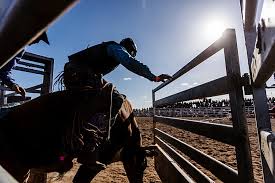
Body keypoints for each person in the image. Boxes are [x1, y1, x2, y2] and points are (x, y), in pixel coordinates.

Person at [0, 32, 50, 97]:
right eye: (38, 37)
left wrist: (12, 85)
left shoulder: (21, 49)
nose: (37, 42)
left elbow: (4, 71)